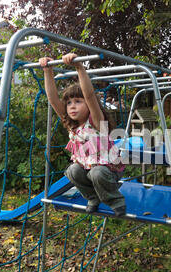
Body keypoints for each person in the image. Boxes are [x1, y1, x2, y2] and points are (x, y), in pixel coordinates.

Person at [39, 53, 126, 216]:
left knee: (97, 172)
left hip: (110, 170)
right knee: (72, 170)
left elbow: (90, 95)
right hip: (88, 169)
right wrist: (47, 71)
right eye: (69, 103)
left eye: (78, 102)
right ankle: (93, 197)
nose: (72, 106)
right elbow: (52, 99)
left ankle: (115, 199)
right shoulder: (71, 125)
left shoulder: (97, 121)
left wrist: (79, 67)